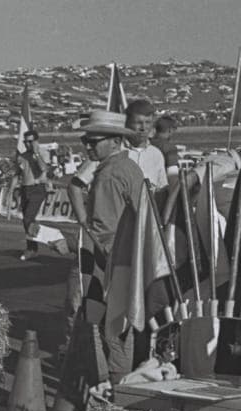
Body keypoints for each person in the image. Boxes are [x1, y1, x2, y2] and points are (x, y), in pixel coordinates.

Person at [75, 109, 145, 380]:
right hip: (132, 256)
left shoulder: (107, 176)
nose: (88, 146)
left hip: (113, 261)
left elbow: (102, 232)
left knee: (110, 329)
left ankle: (114, 384)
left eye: (94, 141)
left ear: (115, 141)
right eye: (86, 141)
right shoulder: (129, 167)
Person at [11, 129, 51, 260]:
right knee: (27, 219)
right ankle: (33, 246)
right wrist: (10, 192)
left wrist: (36, 154)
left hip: (37, 188)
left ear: (36, 141)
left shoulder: (43, 153)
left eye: (30, 141)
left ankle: (33, 247)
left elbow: (44, 169)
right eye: (25, 142)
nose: (28, 144)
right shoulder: (21, 156)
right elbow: (17, 175)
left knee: (28, 217)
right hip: (25, 188)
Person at [123, 99, 167, 193]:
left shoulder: (156, 155)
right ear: (127, 124)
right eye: (138, 123)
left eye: (147, 123)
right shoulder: (116, 150)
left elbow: (162, 189)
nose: (143, 128)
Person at [153, 115, 181, 189]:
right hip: (162, 190)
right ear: (170, 130)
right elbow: (172, 177)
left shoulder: (148, 144)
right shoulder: (169, 148)